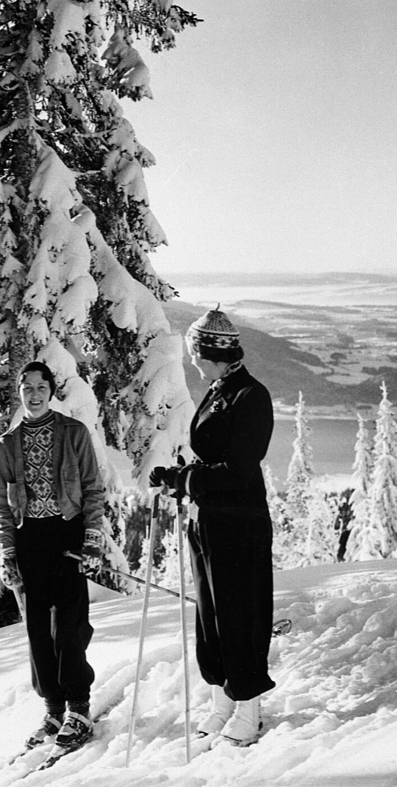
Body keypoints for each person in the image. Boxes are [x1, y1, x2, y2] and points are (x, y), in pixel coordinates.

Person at [150, 306, 275, 745]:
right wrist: (178, 476)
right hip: (210, 521)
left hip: (241, 525)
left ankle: (250, 705)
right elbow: (211, 456)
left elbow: (239, 470)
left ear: (209, 351)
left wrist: (188, 479)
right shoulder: (221, 389)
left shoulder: (250, 396)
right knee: (211, 615)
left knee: (240, 615)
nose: (193, 363)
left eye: (195, 354)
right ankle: (224, 697)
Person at [0, 361, 106, 751]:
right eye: (27, 387)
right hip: (30, 540)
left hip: (67, 533)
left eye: (41, 387)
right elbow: (2, 508)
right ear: (19, 392)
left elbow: (93, 488)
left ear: (52, 390)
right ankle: (53, 708)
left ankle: (79, 707)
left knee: (69, 625)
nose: (34, 394)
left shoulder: (73, 432)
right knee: (38, 629)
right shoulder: (7, 444)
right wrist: (8, 551)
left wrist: (92, 538)